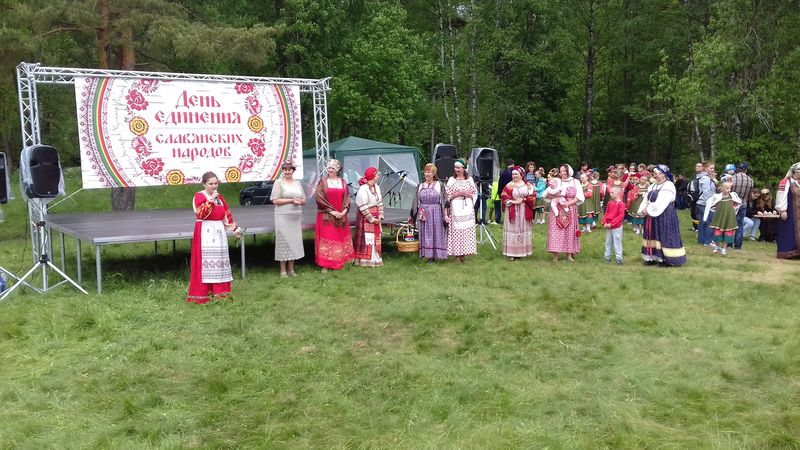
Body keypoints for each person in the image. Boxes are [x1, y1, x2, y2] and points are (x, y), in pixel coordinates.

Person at [187, 171, 242, 303]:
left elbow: (226, 215)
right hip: (205, 231)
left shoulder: (219, 197)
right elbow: (201, 213)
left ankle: (220, 293)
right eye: (210, 184)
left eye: (216, 183)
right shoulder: (199, 196)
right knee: (206, 263)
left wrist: (234, 229)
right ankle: (204, 294)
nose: (214, 186)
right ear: (204, 184)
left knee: (219, 262)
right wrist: (211, 200)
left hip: (219, 232)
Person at [639, 165, 686, 266]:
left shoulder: (668, 185)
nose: (654, 175)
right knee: (651, 234)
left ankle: (667, 259)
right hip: (651, 214)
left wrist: (649, 209)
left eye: (657, 173)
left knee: (664, 234)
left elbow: (662, 201)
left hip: (665, 214)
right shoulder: (652, 186)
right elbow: (646, 199)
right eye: (654, 174)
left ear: (663, 174)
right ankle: (652, 257)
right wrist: (643, 208)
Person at [314, 159, 354, 271]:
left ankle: (340, 260)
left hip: (341, 215)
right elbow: (319, 198)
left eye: (333, 168)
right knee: (328, 237)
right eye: (329, 168)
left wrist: (343, 212)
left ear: (337, 170)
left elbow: (347, 198)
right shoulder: (323, 182)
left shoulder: (343, 182)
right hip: (326, 215)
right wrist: (332, 211)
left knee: (339, 237)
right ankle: (325, 264)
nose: (330, 170)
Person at [271, 161, 306, 277]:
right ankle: (283, 270)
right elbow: (275, 200)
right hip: (282, 216)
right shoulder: (278, 183)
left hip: (295, 217)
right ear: (282, 170)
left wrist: (300, 201)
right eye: (285, 169)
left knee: (293, 242)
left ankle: (291, 269)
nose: (287, 172)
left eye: (289, 169)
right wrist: (291, 200)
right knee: (283, 242)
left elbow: (304, 199)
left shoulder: (297, 183)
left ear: (293, 171)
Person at [410, 163, 449, 263]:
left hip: (435, 212)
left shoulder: (439, 185)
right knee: (424, 233)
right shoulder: (420, 185)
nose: (427, 174)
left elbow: (445, 201)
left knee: (435, 233)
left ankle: (434, 255)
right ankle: (425, 253)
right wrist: (412, 215)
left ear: (434, 173)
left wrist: (445, 215)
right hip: (423, 212)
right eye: (425, 172)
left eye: (429, 172)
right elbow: (416, 200)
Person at [545, 164, 584, 262]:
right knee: (556, 231)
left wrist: (568, 203)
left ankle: (569, 254)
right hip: (557, 209)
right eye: (561, 171)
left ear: (569, 171)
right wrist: (556, 195)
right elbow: (547, 194)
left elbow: (579, 197)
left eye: (564, 171)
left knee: (569, 231)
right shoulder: (557, 181)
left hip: (570, 208)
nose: (563, 173)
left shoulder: (575, 182)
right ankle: (555, 255)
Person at [446, 159, 478, 262]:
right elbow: (447, 195)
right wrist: (456, 194)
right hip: (456, 207)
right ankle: (456, 254)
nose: (457, 170)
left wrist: (468, 194)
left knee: (466, 230)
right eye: (455, 168)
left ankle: (464, 253)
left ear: (463, 168)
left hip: (467, 207)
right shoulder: (451, 180)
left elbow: (475, 194)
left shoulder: (469, 179)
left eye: (459, 168)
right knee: (456, 230)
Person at [501, 166, 536, 260]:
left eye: (516, 174)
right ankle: (512, 253)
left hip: (524, 210)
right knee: (513, 229)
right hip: (512, 209)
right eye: (513, 174)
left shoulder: (528, 185)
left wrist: (524, 199)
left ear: (521, 175)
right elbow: (504, 196)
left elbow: (533, 196)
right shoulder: (509, 185)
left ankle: (521, 252)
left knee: (522, 229)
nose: (514, 176)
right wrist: (511, 201)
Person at [353, 167, 384, 267]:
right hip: (365, 216)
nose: (378, 176)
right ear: (372, 176)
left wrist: (380, 214)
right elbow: (362, 205)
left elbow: (380, 202)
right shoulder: (363, 188)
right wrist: (371, 218)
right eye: (377, 175)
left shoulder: (377, 187)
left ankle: (376, 258)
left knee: (376, 237)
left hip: (376, 214)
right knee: (368, 237)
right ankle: (365, 260)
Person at [704, 181, 742, 256]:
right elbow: (712, 205)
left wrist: (733, 208)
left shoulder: (733, 196)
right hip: (719, 217)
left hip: (729, 217)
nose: (729, 190)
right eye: (727, 188)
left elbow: (738, 203)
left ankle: (724, 248)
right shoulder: (717, 197)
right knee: (717, 232)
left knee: (728, 233)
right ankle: (717, 246)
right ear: (722, 188)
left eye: (730, 188)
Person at [775, 162, 800, 259]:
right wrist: (782, 210)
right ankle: (787, 253)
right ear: (795, 171)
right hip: (790, 211)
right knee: (789, 231)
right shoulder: (785, 181)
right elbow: (781, 196)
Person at [731, 162, 754, 250]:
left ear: (738, 169)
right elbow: (750, 195)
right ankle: (738, 245)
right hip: (743, 203)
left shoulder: (733, 178)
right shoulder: (750, 180)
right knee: (740, 224)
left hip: (732, 203)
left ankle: (729, 243)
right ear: (746, 170)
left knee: (730, 224)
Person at [602, 186, 625, 265]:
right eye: (610, 192)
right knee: (608, 242)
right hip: (608, 226)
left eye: (612, 192)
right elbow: (606, 213)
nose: (610, 194)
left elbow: (620, 216)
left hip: (616, 227)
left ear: (618, 193)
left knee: (617, 242)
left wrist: (612, 224)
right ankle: (607, 257)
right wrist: (604, 222)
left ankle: (619, 258)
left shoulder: (621, 204)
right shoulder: (610, 203)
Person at [696, 162, 717, 246]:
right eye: (710, 168)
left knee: (702, 222)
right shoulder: (705, 178)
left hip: (701, 202)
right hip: (705, 203)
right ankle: (708, 241)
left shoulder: (705, 177)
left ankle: (701, 240)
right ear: (705, 168)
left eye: (713, 168)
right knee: (710, 221)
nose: (712, 170)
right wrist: (711, 203)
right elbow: (706, 192)